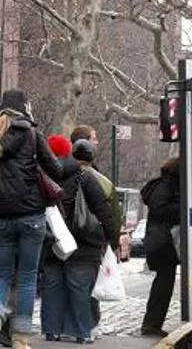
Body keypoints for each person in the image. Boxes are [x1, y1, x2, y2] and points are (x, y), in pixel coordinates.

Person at [0, 89, 63, 349]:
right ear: (25, 108)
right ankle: (21, 339)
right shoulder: (32, 135)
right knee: (26, 278)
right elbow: (56, 170)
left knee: (1, 275)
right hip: (31, 216)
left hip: (2, 216)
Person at [40, 139, 118, 344]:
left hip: (51, 241)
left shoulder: (41, 176)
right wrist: (113, 237)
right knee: (80, 288)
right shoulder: (84, 177)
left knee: (53, 286)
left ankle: (51, 330)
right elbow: (102, 209)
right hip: (83, 242)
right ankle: (82, 332)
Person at [140, 157, 180, 337]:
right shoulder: (166, 186)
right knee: (163, 285)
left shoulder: (163, 184)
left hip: (161, 241)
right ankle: (151, 324)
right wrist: (183, 208)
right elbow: (160, 209)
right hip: (164, 241)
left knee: (163, 284)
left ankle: (153, 323)